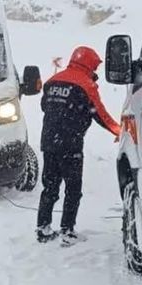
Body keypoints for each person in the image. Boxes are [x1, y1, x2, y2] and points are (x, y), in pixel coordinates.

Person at [37, 46, 121, 245]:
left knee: (49, 187)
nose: (96, 72)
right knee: (73, 189)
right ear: (89, 64)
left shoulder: (51, 82)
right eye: (95, 67)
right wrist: (119, 130)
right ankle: (67, 230)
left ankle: (43, 228)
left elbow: (44, 107)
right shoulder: (85, 84)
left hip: (49, 142)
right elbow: (100, 114)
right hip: (70, 145)